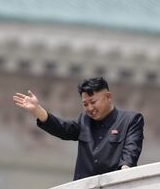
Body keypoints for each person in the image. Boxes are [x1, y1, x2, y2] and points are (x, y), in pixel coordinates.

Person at [13, 77, 144, 180]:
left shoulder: (130, 120)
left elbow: (131, 150)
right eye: (85, 104)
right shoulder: (84, 121)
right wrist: (37, 110)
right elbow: (62, 129)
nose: (90, 108)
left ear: (108, 97)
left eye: (93, 102)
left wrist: (125, 171)